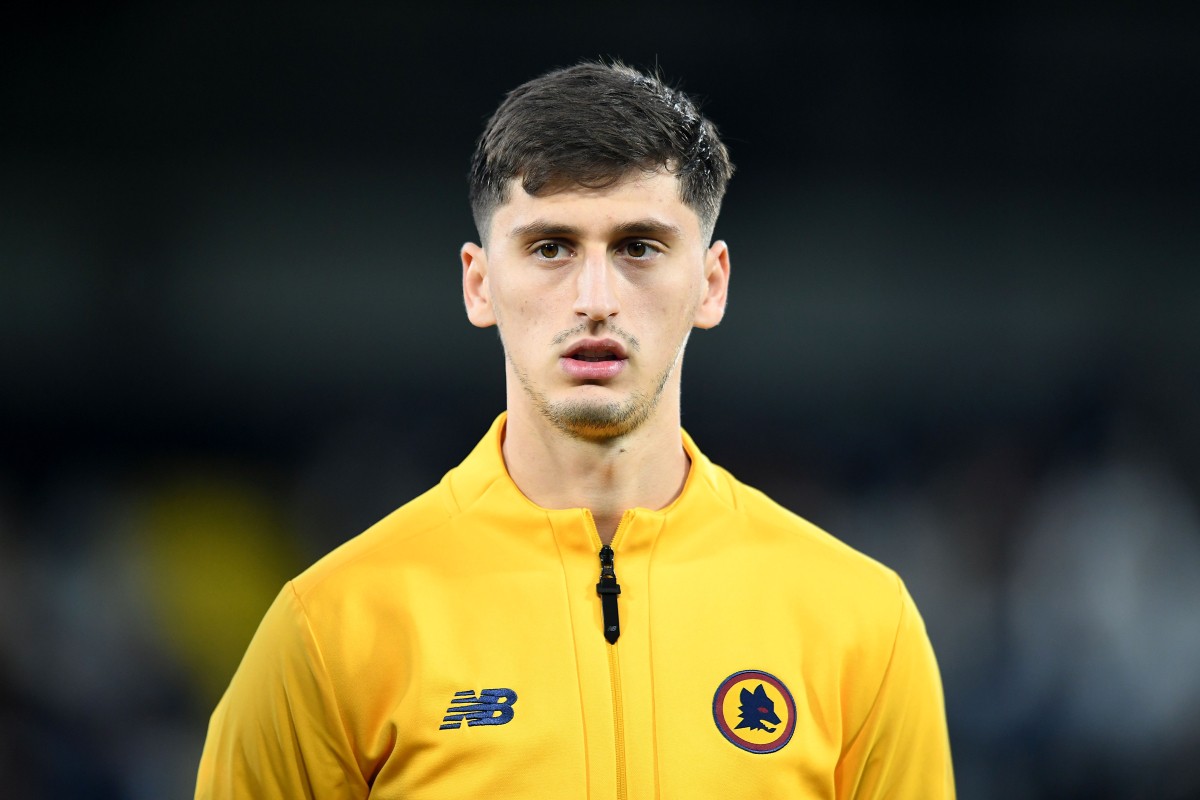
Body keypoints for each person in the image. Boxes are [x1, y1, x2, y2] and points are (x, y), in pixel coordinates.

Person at [195, 60, 955, 799]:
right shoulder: (333, 627)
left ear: (711, 283)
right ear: (479, 284)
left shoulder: (860, 623)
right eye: (551, 247)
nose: (596, 298)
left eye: (638, 247)